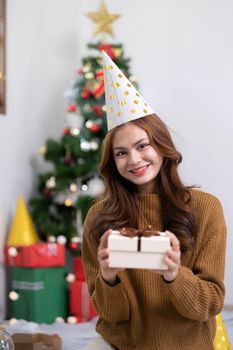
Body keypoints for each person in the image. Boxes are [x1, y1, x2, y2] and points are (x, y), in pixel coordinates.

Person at [81, 51, 227, 350]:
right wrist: (108, 279)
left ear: (161, 145)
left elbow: (209, 305)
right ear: (113, 161)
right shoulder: (99, 217)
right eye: (121, 153)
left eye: (142, 145)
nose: (133, 160)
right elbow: (113, 315)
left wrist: (175, 275)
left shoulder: (205, 208)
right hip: (123, 344)